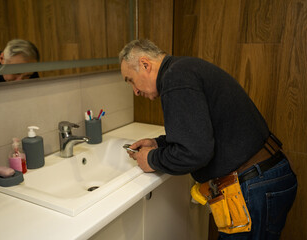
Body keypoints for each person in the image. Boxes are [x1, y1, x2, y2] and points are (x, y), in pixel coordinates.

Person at [119, 39, 297, 239]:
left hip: (253, 186)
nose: (135, 91)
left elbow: (194, 153)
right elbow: (201, 131)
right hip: (266, 176)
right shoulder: (184, 69)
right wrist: (158, 143)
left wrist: (151, 160)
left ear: (145, 64)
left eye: (131, 80)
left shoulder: (174, 78)